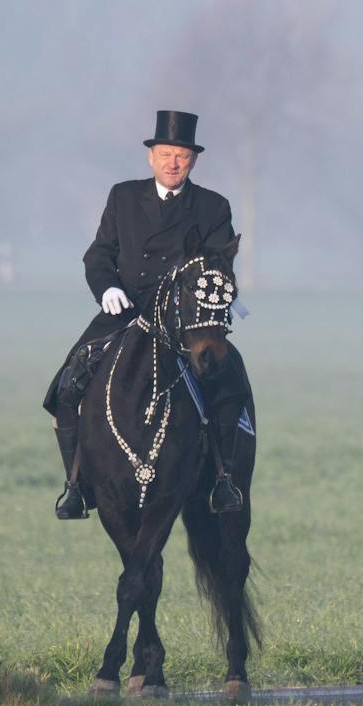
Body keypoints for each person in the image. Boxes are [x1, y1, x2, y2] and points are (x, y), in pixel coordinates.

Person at [44, 110, 242, 519]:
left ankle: (223, 479)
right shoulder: (123, 196)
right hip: (126, 310)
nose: (173, 163)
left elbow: (221, 265)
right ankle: (75, 486)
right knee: (68, 384)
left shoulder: (213, 206)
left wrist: (209, 304)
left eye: (182, 156)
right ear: (151, 156)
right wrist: (107, 289)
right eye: (166, 153)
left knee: (227, 380)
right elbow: (99, 253)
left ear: (193, 161)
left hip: (186, 318)